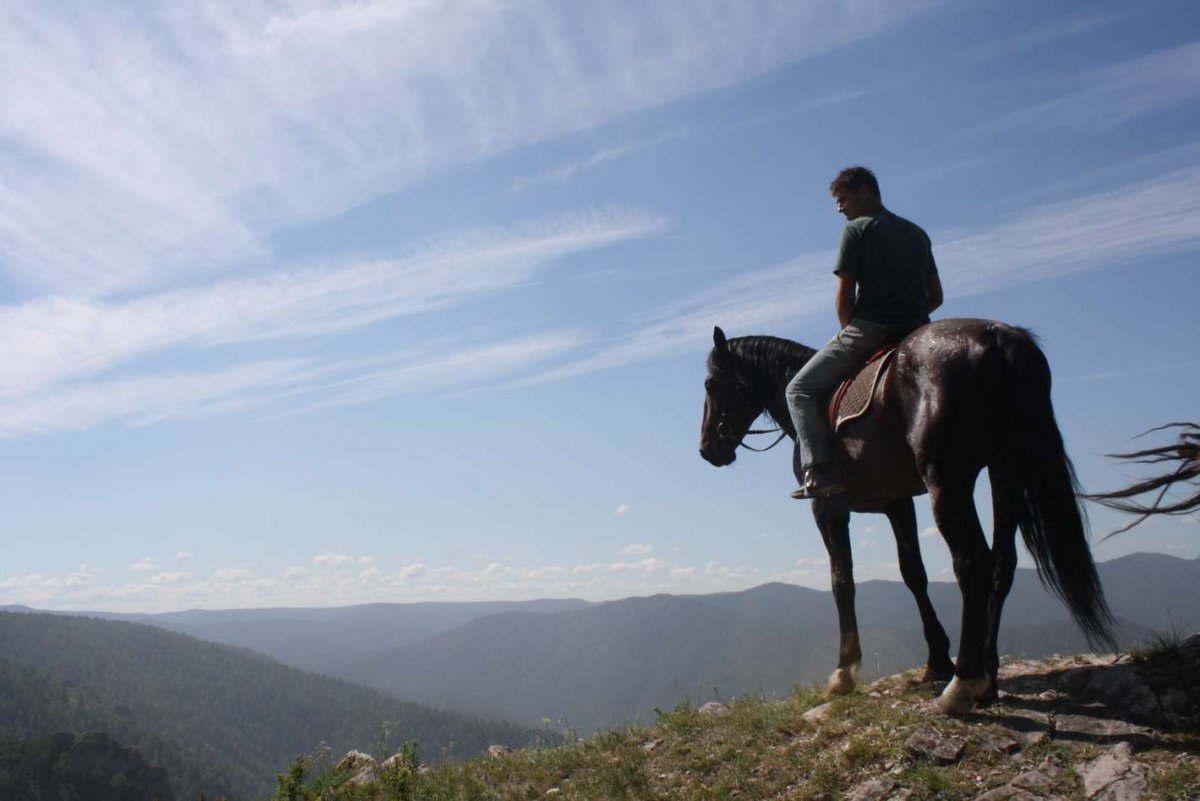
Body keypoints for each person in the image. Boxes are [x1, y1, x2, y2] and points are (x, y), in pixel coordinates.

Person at [786, 166, 943, 498]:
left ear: (865, 193)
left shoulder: (856, 231)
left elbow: (844, 297)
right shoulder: (917, 234)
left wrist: (851, 331)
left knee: (798, 390)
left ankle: (817, 471)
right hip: (917, 328)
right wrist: (911, 316)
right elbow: (937, 296)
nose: (839, 208)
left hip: (869, 328)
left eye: (843, 199)